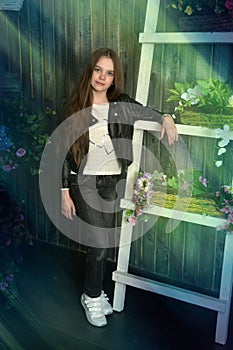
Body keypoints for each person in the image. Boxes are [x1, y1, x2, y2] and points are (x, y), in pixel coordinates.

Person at [61, 48, 178, 327]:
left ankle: (97, 291)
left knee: (103, 243)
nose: (102, 77)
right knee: (99, 241)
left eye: (109, 73)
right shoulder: (75, 108)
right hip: (83, 182)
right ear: (90, 71)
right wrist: (64, 192)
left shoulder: (121, 104)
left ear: (115, 78)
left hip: (112, 182)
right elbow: (63, 153)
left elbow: (148, 113)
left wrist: (166, 117)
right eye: (98, 70)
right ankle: (90, 296)